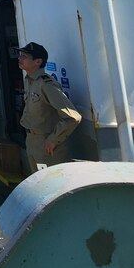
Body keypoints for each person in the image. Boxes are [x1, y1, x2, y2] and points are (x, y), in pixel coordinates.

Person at [16, 42, 82, 173]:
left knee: (47, 182)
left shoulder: (46, 84)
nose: (20, 58)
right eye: (20, 55)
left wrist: (53, 140)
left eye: (25, 56)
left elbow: (73, 117)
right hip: (31, 140)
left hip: (45, 143)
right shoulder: (29, 81)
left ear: (38, 61)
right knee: (37, 182)